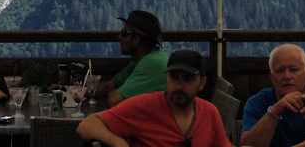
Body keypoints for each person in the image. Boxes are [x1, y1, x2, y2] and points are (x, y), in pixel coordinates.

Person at [79, 49, 232, 147]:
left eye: (188, 79)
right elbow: (87, 126)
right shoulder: (144, 106)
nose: (179, 86)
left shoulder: (209, 113)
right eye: (174, 77)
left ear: (202, 83)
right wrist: (118, 142)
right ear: (166, 78)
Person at [241, 44, 305, 147]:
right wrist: (275, 111)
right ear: (272, 77)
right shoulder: (257, 103)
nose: (287, 76)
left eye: (294, 69)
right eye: (280, 70)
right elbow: (247, 145)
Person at [95, 10, 169, 104]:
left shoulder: (150, 63)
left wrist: (116, 92)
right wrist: (75, 92)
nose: (119, 37)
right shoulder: (141, 60)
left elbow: (114, 102)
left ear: (136, 39)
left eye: (124, 33)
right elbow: (107, 87)